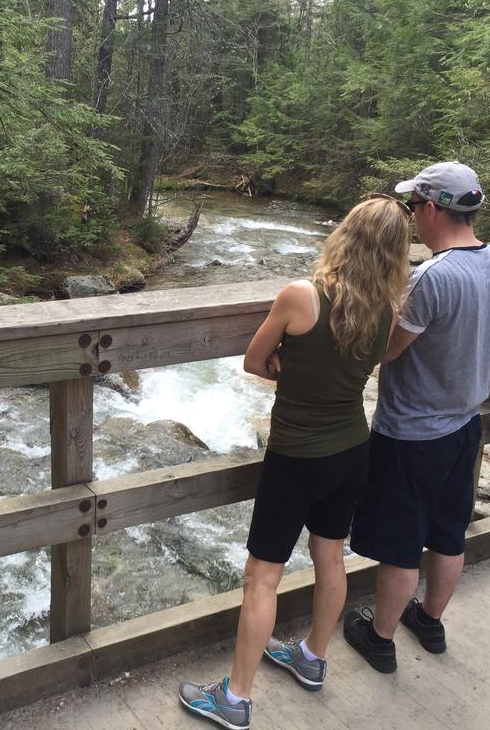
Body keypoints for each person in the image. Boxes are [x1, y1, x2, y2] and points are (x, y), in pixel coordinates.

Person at [178, 196, 412, 730]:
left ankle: (234, 699)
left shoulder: (302, 296)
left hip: (297, 455)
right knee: (330, 557)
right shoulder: (387, 310)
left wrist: (289, 370)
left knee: (262, 576)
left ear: (346, 236)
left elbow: (254, 360)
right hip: (353, 449)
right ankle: (311, 658)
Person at [344, 162, 490, 673]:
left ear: (434, 209)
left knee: (399, 545)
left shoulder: (430, 278)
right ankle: (431, 621)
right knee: (447, 532)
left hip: (413, 433)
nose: (413, 216)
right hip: (467, 426)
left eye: (415, 206)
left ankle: (380, 638)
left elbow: (389, 350)